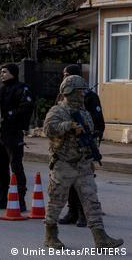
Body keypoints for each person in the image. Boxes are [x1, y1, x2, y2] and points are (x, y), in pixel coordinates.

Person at [42, 75, 123, 249]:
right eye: (80, 91)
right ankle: (50, 235)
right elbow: (48, 129)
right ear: (69, 92)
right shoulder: (58, 111)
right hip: (63, 163)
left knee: (92, 201)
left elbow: (90, 137)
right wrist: (69, 126)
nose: (82, 94)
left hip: (83, 164)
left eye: (83, 91)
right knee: (57, 201)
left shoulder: (85, 113)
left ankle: (101, 238)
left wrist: (92, 157)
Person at [57, 65, 105, 228]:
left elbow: (98, 122)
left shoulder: (89, 96)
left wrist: (91, 140)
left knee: (84, 181)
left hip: (84, 144)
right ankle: (72, 212)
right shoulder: (64, 95)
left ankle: (84, 214)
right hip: (66, 145)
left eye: (66, 75)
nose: (63, 78)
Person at [0, 64, 33, 212]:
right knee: (1, 167)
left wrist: (9, 115)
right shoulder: (0, 89)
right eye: (0, 72)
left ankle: (20, 200)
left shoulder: (22, 88)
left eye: (4, 72)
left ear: (13, 73)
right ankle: (2, 198)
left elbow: (25, 107)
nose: (1, 74)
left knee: (16, 167)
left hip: (13, 133)